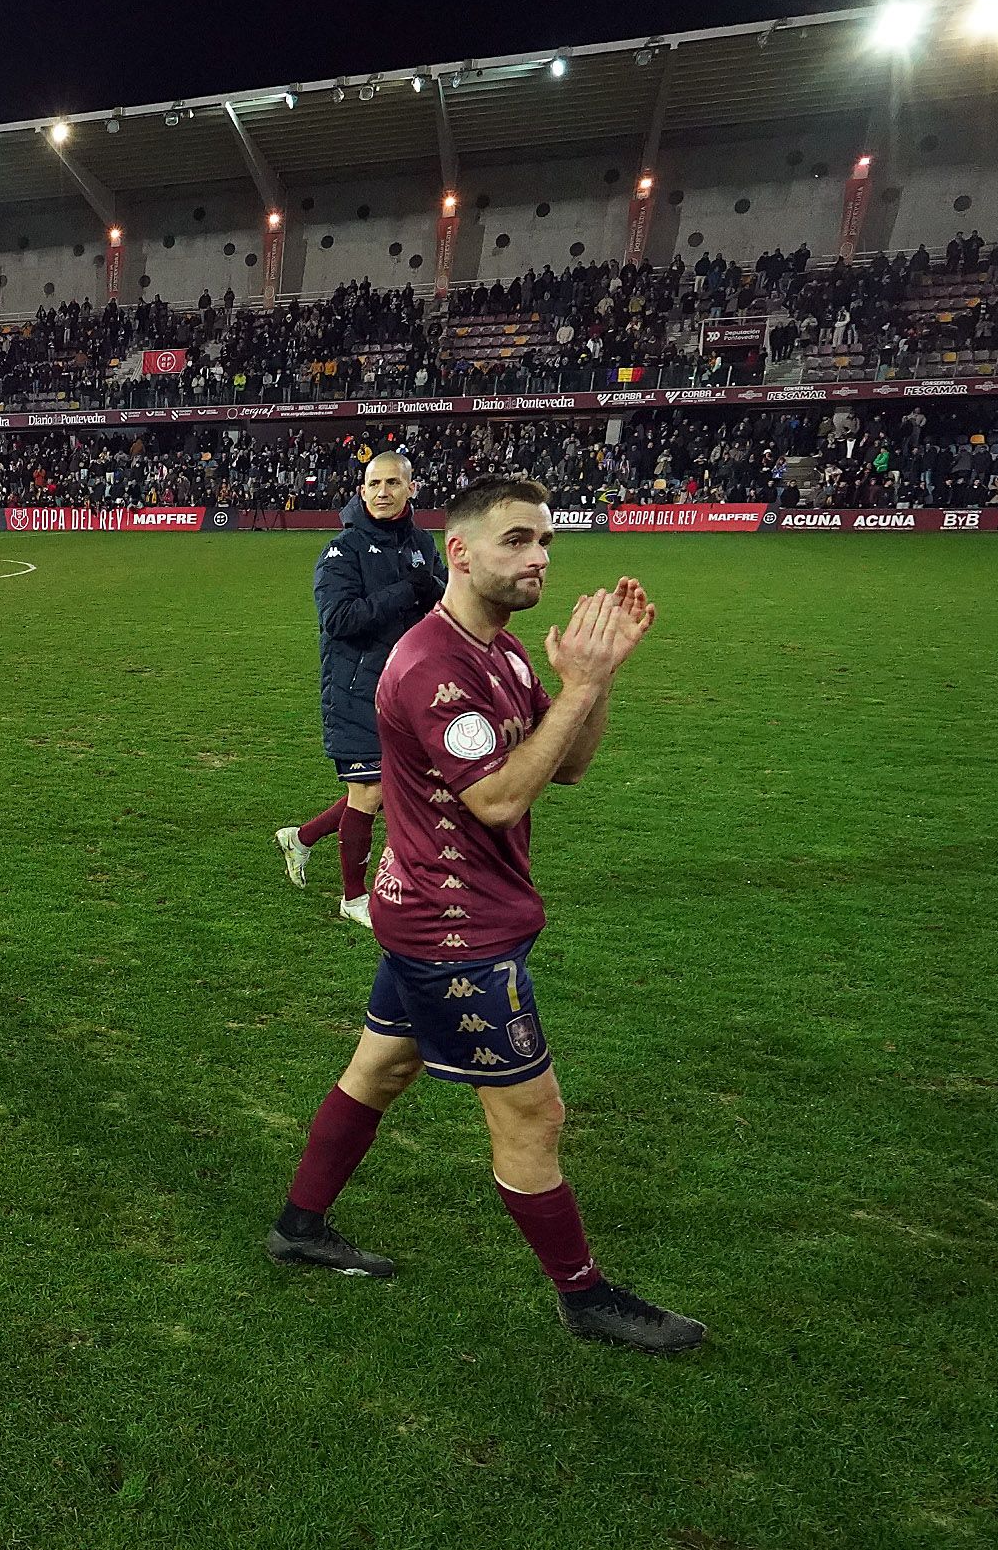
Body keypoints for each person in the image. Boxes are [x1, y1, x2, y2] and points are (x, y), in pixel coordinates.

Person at [265, 476, 703, 1355]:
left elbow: (565, 766)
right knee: (531, 1116)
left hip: (434, 910)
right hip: (453, 933)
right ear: (458, 552)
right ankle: (583, 1296)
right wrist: (574, 685)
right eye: (516, 540)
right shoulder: (432, 666)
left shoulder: (496, 652)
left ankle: (299, 1226)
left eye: (545, 540)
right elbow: (498, 799)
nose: (539, 557)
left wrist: (595, 680)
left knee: (380, 1069)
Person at [278, 452, 446, 926]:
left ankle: (303, 838)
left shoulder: (421, 543)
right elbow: (338, 619)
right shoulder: (342, 550)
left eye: (393, 483)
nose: (382, 492)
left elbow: (441, 602)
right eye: (373, 484)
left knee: (387, 787)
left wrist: (434, 587)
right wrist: (408, 590)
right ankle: (353, 898)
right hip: (357, 687)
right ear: (361, 490)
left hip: (409, 685)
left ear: (411, 488)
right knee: (371, 794)